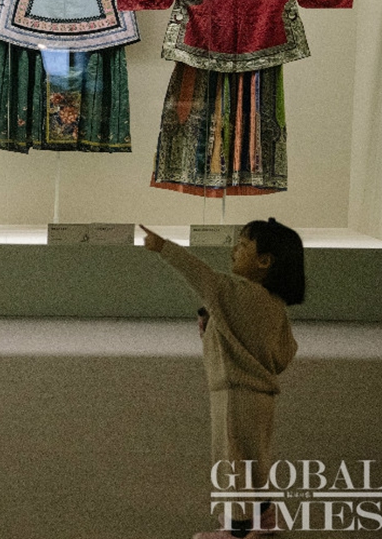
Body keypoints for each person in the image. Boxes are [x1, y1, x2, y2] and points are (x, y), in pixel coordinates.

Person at [141, 220, 303, 538]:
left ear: (264, 261)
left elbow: (202, 276)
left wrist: (164, 247)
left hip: (233, 396)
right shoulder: (274, 303)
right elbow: (285, 353)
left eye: (243, 245)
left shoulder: (240, 293)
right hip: (261, 398)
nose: (234, 250)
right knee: (255, 462)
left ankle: (236, 529)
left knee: (232, 463)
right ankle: (264, 518)